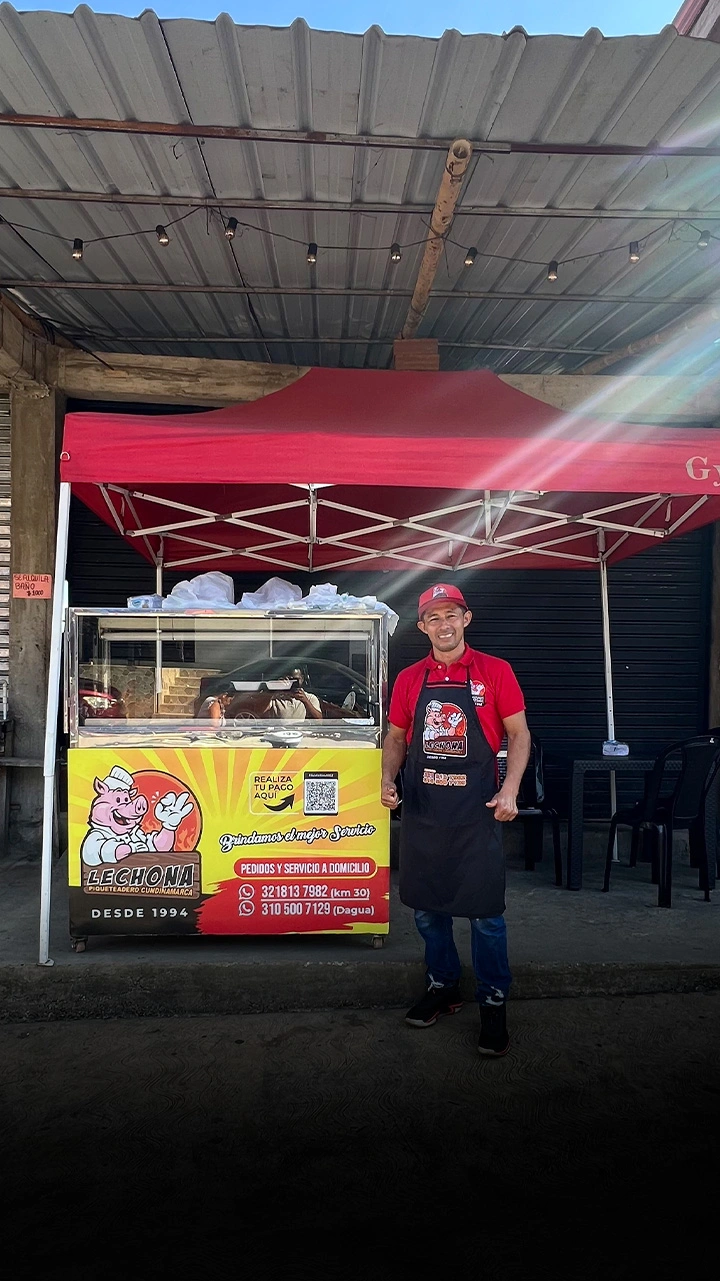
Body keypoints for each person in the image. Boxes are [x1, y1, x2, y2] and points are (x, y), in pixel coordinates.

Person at [381, 584, 530, 1057]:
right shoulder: (409, 678)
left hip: (476, 814)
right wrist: (388, 779)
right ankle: (443, 986)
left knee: (486, 916)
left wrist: (510, 788)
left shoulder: (496, 671)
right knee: (427, 911)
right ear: (422, 627)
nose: (443, 625)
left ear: (467, 619)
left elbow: (519, 734)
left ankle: (493, 1000)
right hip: (425, 813)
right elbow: (396, 737)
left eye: (451, 615)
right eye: (434, 617)